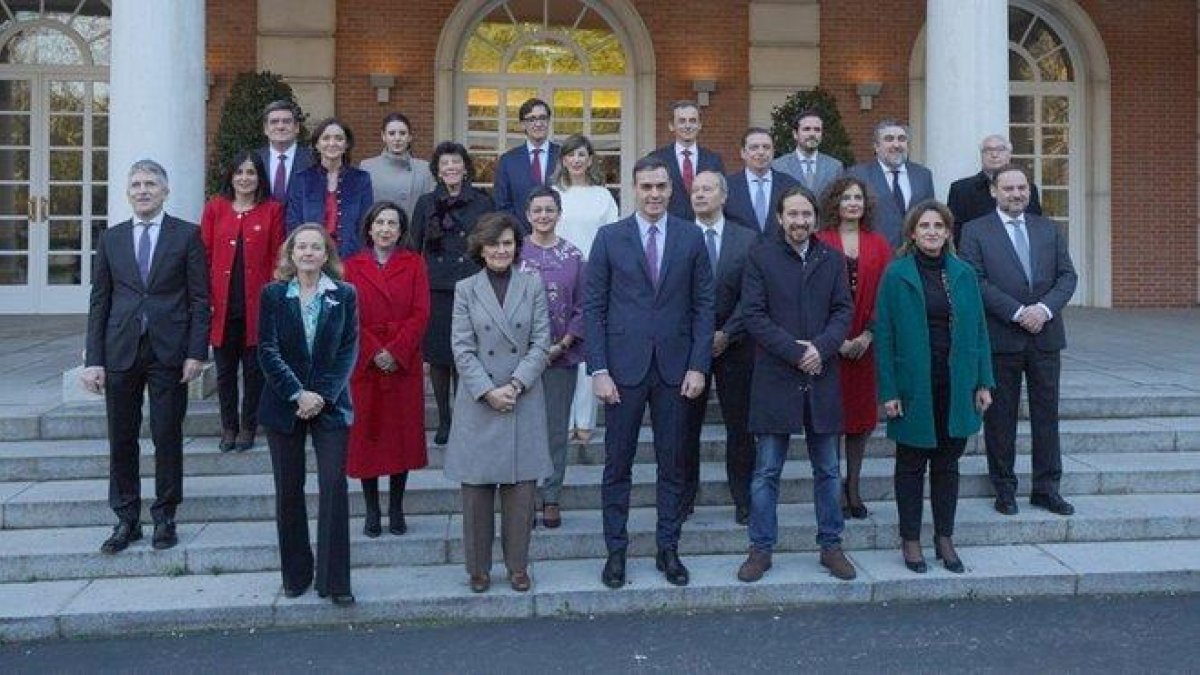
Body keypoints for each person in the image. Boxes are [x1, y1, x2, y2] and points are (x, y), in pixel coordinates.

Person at [584, 155, 714, 589]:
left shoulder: (691, 237)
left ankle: (668, 549)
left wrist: (699, 365)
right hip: (622, 370)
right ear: (634, 189)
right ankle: (616, 553)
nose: (655, 194)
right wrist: (598, 369)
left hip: (677, 371)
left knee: (672, 466)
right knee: (617, 465)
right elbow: (594, 308)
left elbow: (703, 307)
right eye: (647, 187)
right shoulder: (608, 238)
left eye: (661, 187)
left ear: (670, 190)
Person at [82, 159, 210, 555]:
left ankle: (165, 517)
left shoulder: (187, 236)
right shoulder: (111, 239)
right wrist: (93, 358)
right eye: (136, 184)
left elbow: (200, 299)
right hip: (120, 350)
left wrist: (195, 352)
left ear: (164, 191)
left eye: (150, 184)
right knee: (122, 438)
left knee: (167, 435)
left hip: (169, 352)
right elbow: (99, 300)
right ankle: (126, 519)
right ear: (128, 192)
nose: (142, 190)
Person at [736, 185, 855, 583]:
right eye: (793, 214)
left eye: (807, 215)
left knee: (827, 469)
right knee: (767, 471)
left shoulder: (832, 259)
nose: (800, 221)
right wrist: (794, 351)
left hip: (822, 376)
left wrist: (820, 348)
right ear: (779, 218)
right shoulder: (761, 256)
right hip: (776, 377)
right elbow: (753, 315)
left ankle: (831, 546)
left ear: (815, 218)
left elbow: (843, 311)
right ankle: (760, 549)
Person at [875, 200, 994, 574]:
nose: (931, 232)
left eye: (938, 226)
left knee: (947, 464)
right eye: (924, 226)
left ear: (948, 232)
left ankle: (944, 536)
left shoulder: (963, 274)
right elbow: (884, 334)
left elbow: (979, 330)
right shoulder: (897, 274)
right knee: (910, 465)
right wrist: (888, 391)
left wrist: (983, 381)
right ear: (912, 233)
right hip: (913, 386)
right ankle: (911, 539)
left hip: (955, 384)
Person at [960, 165, 1078, 517]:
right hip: (1001, 337)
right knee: (1000, 417)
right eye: (1009, 188)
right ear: (994, 191)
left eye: (1022, 188)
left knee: (1047, 416)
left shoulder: (1048, 229)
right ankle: (1004, 488)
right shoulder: (974, 231)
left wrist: (1042, 310)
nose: (1016, 194)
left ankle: (1047, 488)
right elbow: (974, 280)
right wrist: (1016, 312)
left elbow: (1067, 276)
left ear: (1029, 191)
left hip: (1045, 336)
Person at [444, 212, 552, 594]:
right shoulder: (466, 289)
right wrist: (489, 390)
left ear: (516, 247)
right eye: (493, 244)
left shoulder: (533, 285)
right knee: (475, 494)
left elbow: (542, 341)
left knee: (521, 493)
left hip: (523, 396)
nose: (501, 250)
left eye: (507, 243)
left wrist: (517, 383)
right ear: (480, 247)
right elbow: (461, 346)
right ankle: (478, 568)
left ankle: (518, 566)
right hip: (479, 400)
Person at [257, 224, 358, 606]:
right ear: (291, 253)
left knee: (333, 487)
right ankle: (296, 575)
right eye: (302, 247)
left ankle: (335, 580)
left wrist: (321, 395)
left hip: (330, 406)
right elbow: (267, 350)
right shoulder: (273, 294)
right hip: (284, 404)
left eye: (316, 247)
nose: (309, 253)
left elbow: (348, 350)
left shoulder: (345, 295)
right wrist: (298, 393)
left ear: (326, 254)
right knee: (289, 490)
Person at [343, 201, 430, 538]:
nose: (386, 229)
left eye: (393, 224)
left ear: (400, 230)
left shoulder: (414, 263)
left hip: (402, 363)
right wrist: (373, 350)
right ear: (369, 227)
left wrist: (395, 350)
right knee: (368, 437)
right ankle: (371, 510)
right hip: (365, 364)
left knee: (401, 438)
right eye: (380, 222)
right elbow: (348, 315)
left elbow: (421, 313)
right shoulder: (351, 266)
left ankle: (396, 507)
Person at [680, 170, 759, 525]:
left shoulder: (748, 239)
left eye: (708, 189)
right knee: (684, 427)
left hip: (736, 345)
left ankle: (743, 498)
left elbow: (754, 296)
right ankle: (683, 497)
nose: (700, 195)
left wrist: (727, 333)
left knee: (740, 428)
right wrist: (699, 338)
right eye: (695, 190)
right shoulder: (677, 235)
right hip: (685, 349)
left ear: (724, 196)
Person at [814, 175, 891, 520]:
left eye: (858, 198)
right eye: (846, 198)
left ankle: (854, 489)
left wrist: (868, 336)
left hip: (866, 348)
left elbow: (886, 297)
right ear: (835, 203)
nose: (852, 203)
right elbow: (811, 297)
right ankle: (832, 491)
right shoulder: (819, 240)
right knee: (833, 421)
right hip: (830, 349)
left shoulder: (879, 244)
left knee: (861, 421)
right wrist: (835, 341)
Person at [410, 142, 495, 446]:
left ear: (465, 167)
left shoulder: (483, 202)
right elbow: (413, 246)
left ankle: (464, 417)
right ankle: (444, 420)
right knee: (440, 357)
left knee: (466, 356)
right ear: (437, 169)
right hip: (438, 288)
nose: (450, 169)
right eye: (444, 164)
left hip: (472, 285)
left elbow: (491, 244)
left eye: (456, 163)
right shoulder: (425, 203)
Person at [200, 151, 285, 453]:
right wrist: (205, 299)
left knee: (254, 371)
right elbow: (204, 256)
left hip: (257, 307)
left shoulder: (272, 210)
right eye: (239, 172)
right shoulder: (215, 208)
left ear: (260, 177)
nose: (245, 178)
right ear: (231, 176)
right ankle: (228, 427)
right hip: (221, 306)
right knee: (224, 372)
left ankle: (249, 425)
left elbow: (279, 256)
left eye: (251, 172)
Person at [517, 186, 586, 529]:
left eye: (549, 210)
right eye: (537, 210)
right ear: (527, 215)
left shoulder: (574, 256)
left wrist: (563, 343)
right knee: (522, 430)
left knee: (555, 430)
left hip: (561, 356)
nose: (543, 216)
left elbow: (583, 305)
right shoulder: (514, 254)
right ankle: (524, 497)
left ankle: (552, 496)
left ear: (559, 214)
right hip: (519, 359)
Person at [551, 133, 618, 443]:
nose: (576, 160)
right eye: (570, 155)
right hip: (558, 275)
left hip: (594, 274)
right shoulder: (553, 194)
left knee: (588, 347)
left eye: (582, 154)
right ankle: (562, 420)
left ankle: (585, 421)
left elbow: (612, 238)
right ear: (563, 160)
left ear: (590, 159)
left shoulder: (603, 196)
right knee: (562, 348)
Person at [285, 117, 374, 258]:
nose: (332, 143)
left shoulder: (361, 179)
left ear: (346, 145)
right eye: (326, 138)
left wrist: (357, 255)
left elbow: (366, 223)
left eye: (339, 138)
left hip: (351, 258)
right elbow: (294, 223)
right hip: (310, 258)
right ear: (317, 145)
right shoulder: (301, 179)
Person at [847, 119, 935, 246]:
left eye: (902, 139)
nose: (896, 145)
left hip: (915, 253)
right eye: (889, 139)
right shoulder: (858, 175)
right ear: (876, 146)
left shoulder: (923, 175)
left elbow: (929, 213)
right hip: (874, 251)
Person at [946, 134, 1043, 246]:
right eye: (988, 150)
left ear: (1009, 154)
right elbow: (955, 231)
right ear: (981, 155)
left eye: (1000, 149)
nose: (994, 154)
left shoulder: (1028, 188)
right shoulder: (960, 189)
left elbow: (1035, 226)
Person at [647, 100, 725, 220]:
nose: (688, 126)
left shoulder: (713, 160)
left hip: (704, 226)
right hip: (669, 228)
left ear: (700, 125)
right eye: (682, 121)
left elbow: (721, 197)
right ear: (671, 126)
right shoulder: (656, 159)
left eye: (692, 121)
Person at [493, 97, 560, 230]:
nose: (538, 123)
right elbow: (502, 205)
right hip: (521, 238)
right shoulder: (508, 161)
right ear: (522, 124)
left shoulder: (562, 156)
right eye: (532, 119)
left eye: (542, 118)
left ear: (548, 122)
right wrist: (523, 235)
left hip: (559, 235)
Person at [358, 112, 435, 223]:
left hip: (413, 235)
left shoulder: (424, 169)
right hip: (380, 234)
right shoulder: (368, 167)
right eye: (392, 133)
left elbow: (430, 208)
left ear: (409, 137)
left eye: (402, 133)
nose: (397, 138)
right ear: (383, 136)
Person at [724, 127, 800, 238]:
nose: (761, 152)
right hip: (741, 253)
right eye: (754, 147)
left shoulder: (790, 185)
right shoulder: (727, 186)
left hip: (779, 253)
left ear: (773, 152)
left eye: (766, 147)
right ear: (743, 153)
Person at [771, 109, 844, 197]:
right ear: (795, 134)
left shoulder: (835, 167)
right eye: (807, 129)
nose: (812, 134)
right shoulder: (778, 166)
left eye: (817, 130)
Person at [258, 99, 314, 203]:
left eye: (286, 121)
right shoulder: (255, 160)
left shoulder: (313, 160)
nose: (280, 127)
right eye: (274, 122)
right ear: (265, 129)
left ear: (297, 127)